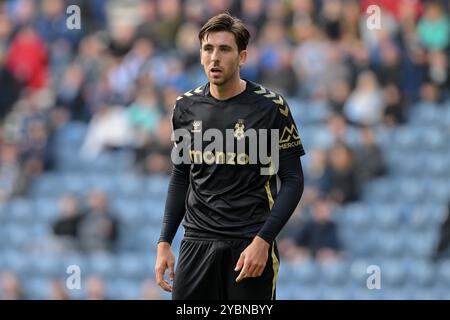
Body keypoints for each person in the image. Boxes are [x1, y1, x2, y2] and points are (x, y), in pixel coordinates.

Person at [155, 13, 305, 300]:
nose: (215, 57)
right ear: (200, 55)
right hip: (196, 243)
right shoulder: (185, 107)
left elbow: (294, 180)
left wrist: (264, 240)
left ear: (242, 56)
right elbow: (180, 177)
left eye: (225, 49)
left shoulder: (271, 107)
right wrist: (164, 241)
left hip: (249, 245)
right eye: (208, 49)